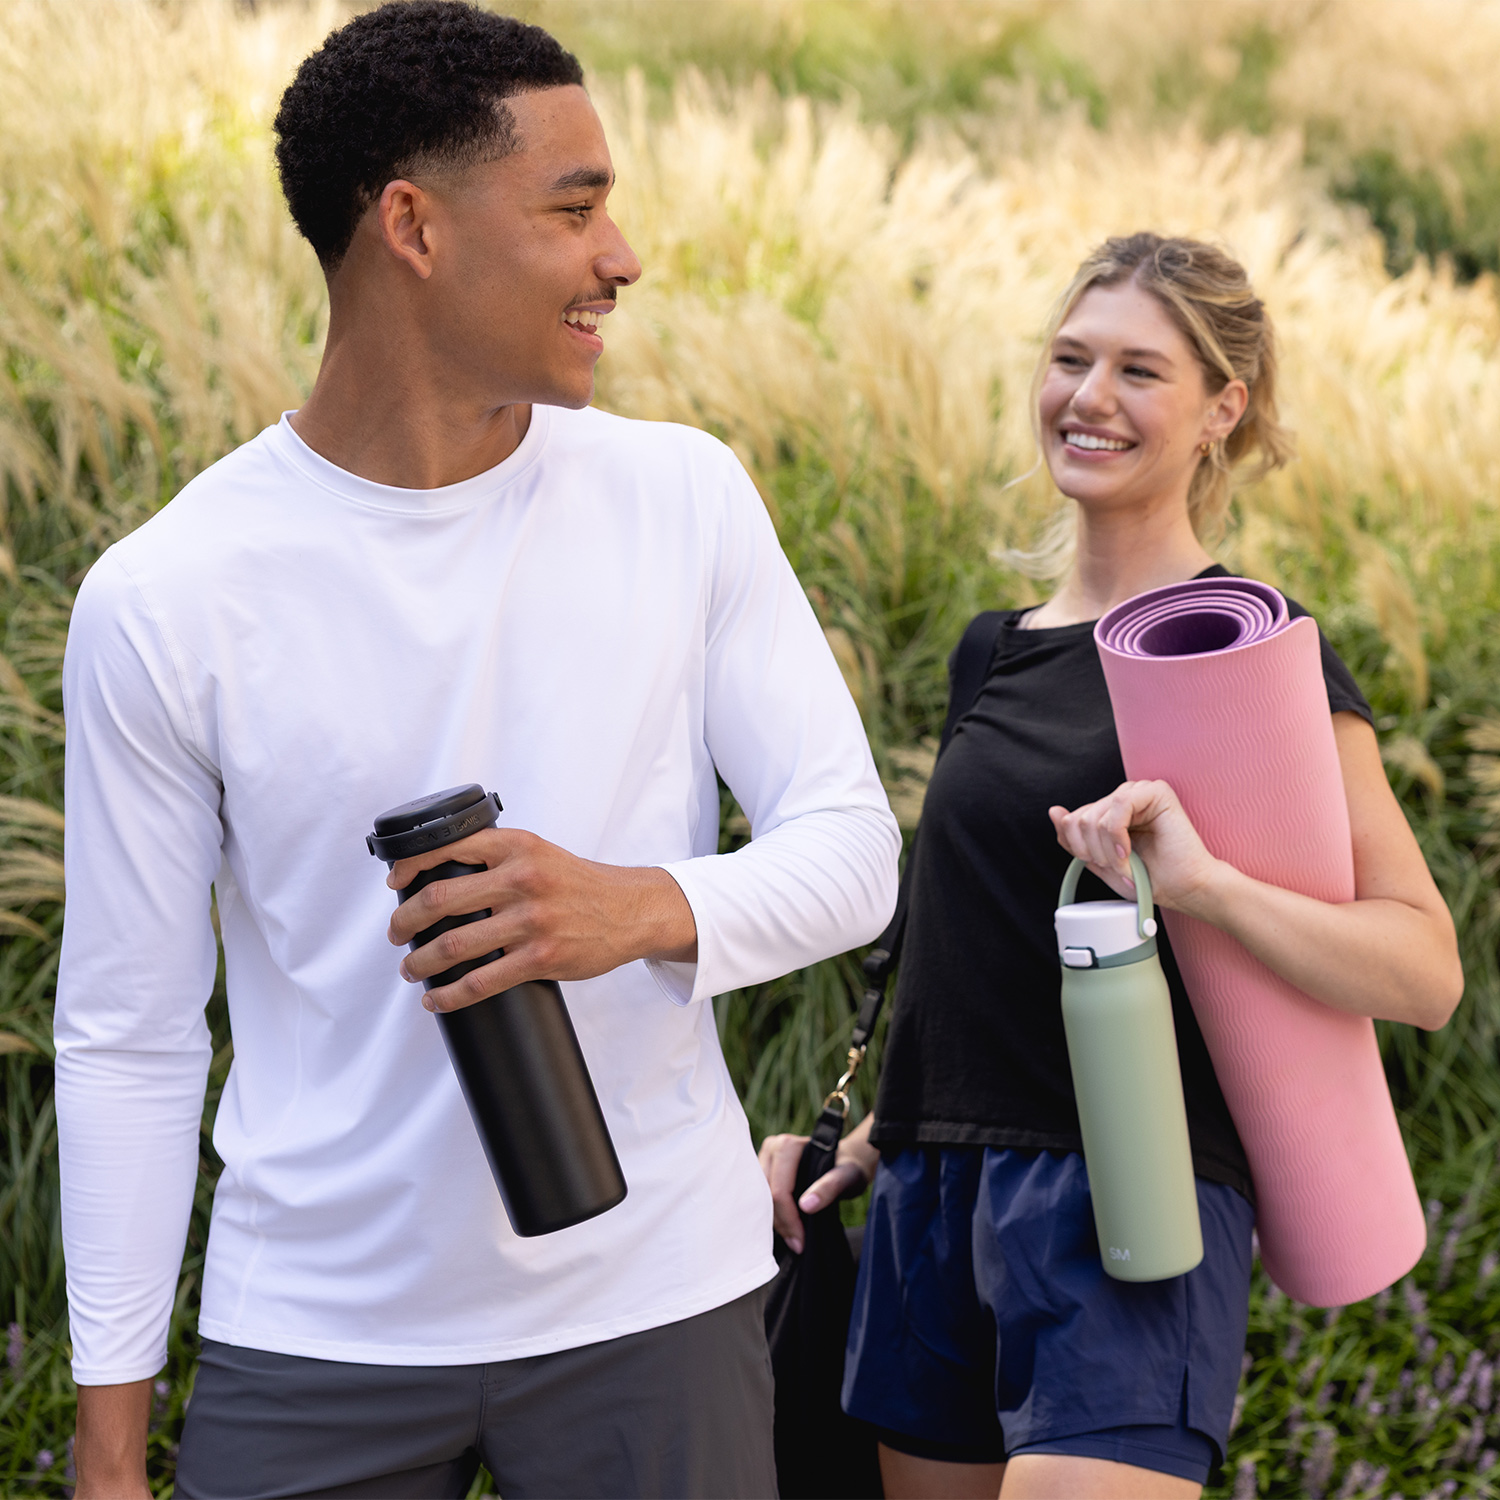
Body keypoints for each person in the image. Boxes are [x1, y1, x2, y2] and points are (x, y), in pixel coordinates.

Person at [55, 5, 900, 1497]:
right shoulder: (170, 593)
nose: (621, 257)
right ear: (413, 228)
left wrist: (636, 907)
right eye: (574, 210)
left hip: (658, 1308)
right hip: (314, 1338)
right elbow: (130, 1035)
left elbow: (851, 853)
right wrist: (111, 1457)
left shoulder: (681, 499)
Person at [760, 233, 1463, 1500]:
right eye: (1070, 359)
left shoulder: (1250, 651)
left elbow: (1423, 970)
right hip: (931, 1200)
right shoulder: (992, 651)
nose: (1089, 398)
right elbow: (978, 958)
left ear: (1222, 410)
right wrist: (873, 1134)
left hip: (1127, 1201)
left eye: (1141, 370)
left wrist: (1207, 888)